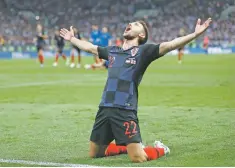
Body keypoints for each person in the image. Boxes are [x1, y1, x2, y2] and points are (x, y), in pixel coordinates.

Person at [60, 18, 212, 163]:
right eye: (131, 23)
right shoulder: (113, 51)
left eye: (136, 24)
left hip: (125, 110)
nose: (130, 24)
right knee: (95, 154)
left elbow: (170, 45)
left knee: (138, 158)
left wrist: (195, 34)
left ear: (142, 35)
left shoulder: (144, 51)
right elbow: (90, 48)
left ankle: (160, 149)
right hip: (104, 108)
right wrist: (72, 39)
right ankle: (127, 148)